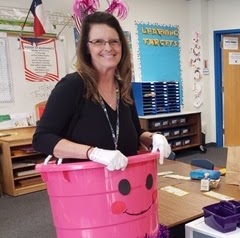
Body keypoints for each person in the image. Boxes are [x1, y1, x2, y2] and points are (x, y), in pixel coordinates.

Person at [32, 11, 171, 171]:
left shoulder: (125, 89)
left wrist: (153, 137)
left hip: (126, 184)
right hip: (86, 187)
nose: (108, 48)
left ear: (122, 46)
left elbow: (135, 132)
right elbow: (42, 139)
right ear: (87, 48)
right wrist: (92, 153)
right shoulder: (72, 85)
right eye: (98, 41)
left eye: (114, 41)